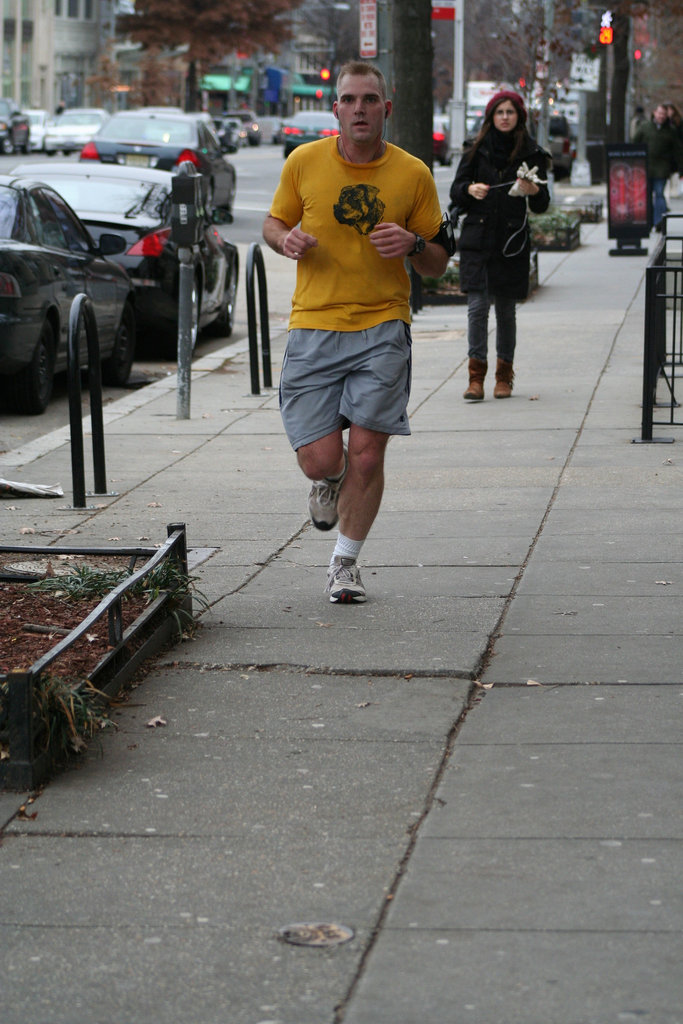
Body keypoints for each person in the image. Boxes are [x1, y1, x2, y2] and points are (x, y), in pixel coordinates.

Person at [263, 60, 448, 604]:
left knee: (368, 453)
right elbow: (273, 223)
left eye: (371, 99)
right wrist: (284, 241)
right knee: (321, 458)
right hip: (315, 324)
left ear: (386, 108)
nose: (360, 108)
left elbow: (439, 261)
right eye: (351, 99)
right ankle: (328, 479)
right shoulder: (304, 162)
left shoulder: (412, 173)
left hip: (383, 325)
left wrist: (414, 246)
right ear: (336, 108)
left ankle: (344, 564)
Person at [449, 90, 550, 401]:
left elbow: (543, 204)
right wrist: (470, 188)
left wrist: (532, 189)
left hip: (510, 242)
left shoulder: (532, 153)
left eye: (510, 111)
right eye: (499, 112)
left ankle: (504, 377)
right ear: (491, 117)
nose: (505, 117)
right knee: (477, 309)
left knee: (506, 310)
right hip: (478, 240)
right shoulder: (475, 151)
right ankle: (475, 378)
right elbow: (456, 191)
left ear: (519, 116)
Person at [633, 103, 683, 230]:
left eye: (664, 114)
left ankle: (659, 221)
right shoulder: (645, 127)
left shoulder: (671, 131)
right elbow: (634, 143)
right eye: (659, 113)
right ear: (654, 113)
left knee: (659, 194)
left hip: (662, 168)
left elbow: (678, 151)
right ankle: (648, 221)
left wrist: (680, 168)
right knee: (646, 195)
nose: (661, 116)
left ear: (667, 116)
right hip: (645, 167)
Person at [664, 102, 683, 198]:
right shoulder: (664, 124)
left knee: (675, 173)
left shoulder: (678, 122)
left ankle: (675, 190)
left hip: (676, 151)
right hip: (667, 153)